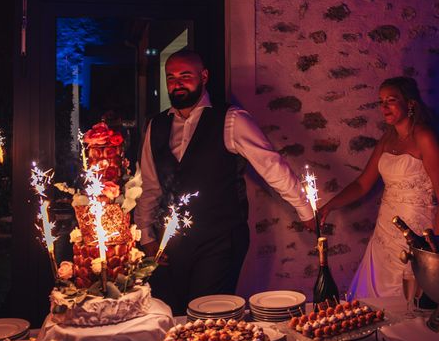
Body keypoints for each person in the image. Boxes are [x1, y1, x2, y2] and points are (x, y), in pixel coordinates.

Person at [135, 49, 315, 314]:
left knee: (208, 313)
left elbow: (271, 166)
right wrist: (146, 235)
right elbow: (150, 185)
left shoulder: (231, 119)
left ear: (204, 76)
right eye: (171, 77)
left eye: (185, 76)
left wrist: (305, 210)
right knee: (171, 313)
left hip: (220, 237)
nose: (177, 83)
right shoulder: (157, 125)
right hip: (170, 242)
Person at [319, 76, 439, 298]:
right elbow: (363, 184)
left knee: (413, 295)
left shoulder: (425, 137)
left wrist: (435, 249)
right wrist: (329, 206)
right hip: (385, 228)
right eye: (381, 102)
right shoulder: (387, 138)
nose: (384, 107)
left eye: (391, 100)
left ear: (410, 103)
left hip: (418, 226)